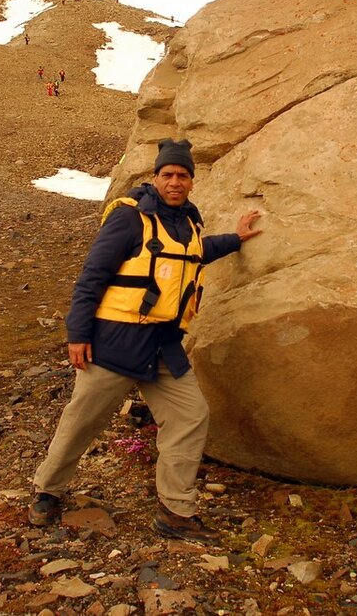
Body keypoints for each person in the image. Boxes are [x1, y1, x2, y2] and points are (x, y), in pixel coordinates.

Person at [28, 139, 262, 544]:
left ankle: (176, 510)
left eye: (183, 175)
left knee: (191, 416)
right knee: (82, 420)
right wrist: (77, 334)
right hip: (115, 344)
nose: (175, 181)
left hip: (164, 345)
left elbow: (192, 255)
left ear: (191, 181)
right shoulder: (128, 219)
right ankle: (47, 490)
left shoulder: (189, 223)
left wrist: (236, 239)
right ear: (155, 178)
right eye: (168, 174)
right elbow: (92, 277)